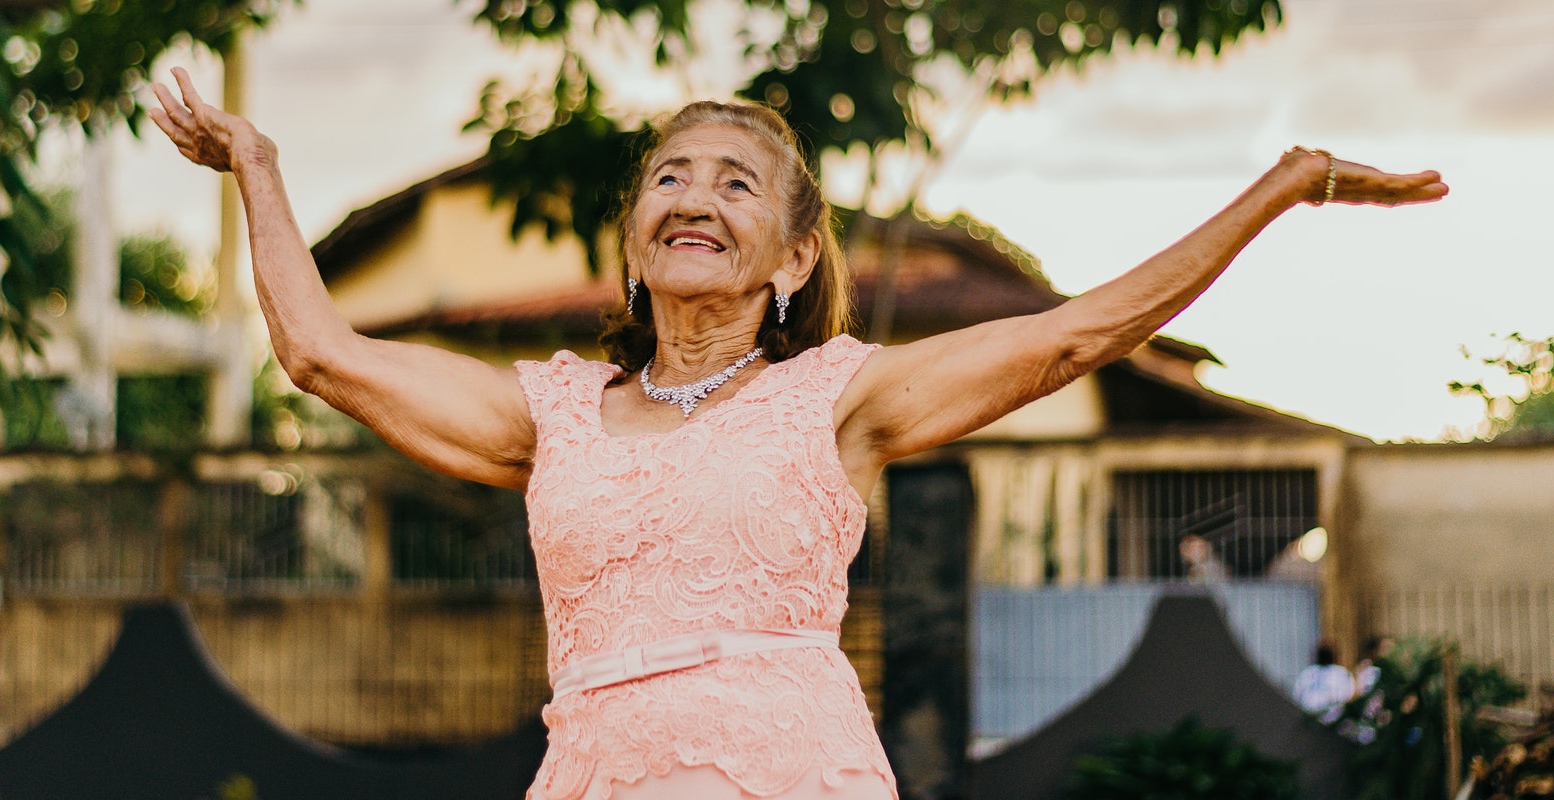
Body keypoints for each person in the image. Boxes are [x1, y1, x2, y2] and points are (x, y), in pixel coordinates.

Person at [148, 65, 1446, 800]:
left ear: (790, 256)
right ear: (631, 241)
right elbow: (321, 354)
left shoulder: (838, 397)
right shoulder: (547, 413)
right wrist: (260, 167)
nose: (693, 196)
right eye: (669, 176)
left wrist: (1282, 188)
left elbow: (1077, 334)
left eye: (734, 182)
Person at [1294, 641, 1356, 724]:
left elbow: (1296, 696)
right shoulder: (1342, 673)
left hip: (1310, 719)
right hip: (1332, 721)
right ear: (1335, 656)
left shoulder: (1306, 673)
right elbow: (1348, 696)